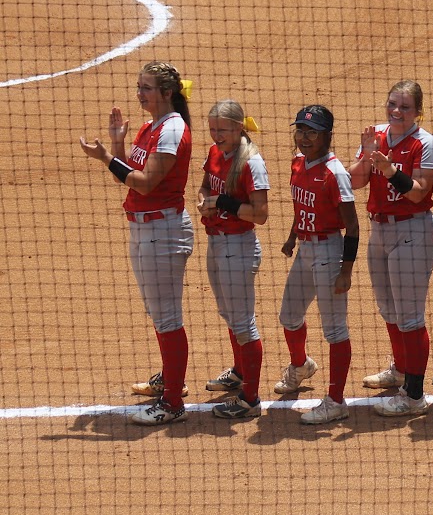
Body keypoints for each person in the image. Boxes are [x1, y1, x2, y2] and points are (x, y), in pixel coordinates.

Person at [79, 62, 194, 425]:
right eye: (138, 86)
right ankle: (170, 381)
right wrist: (116, 144)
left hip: (164, 232)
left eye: (146, 88)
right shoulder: (151, 126)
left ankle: (173, 403)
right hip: (145, 230)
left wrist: (107, 158)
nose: (139, 93)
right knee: (159, 314)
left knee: (168, 318)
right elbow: (130, 177)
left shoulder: (172, 130)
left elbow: (145, 183)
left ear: (167, 93)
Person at [348, 81, 433, 418]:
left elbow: (418, 193)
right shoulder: (378, 136)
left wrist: (388, 170)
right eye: (392, 104)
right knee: (389, 308)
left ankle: (414, 395)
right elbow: (356, 181)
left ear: (418, 111)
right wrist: (365, 151)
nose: (396, 111)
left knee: (410, 315)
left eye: (404, 107)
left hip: (412, 232)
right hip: (380, 230)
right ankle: (401, 368)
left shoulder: (426, 144)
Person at [275, 105, 360, 424]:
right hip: (306, 250)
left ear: (327, 135)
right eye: (300, 131)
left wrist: (346, 271)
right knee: (289, 315)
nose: (304, 138)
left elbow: (351, 226)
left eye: (312, 132)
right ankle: (301, 365)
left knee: (335, 329)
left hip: (330, 252)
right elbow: (302, 207)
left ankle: (336, 400)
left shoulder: (336, 173)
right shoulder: (298, 164)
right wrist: (292, 236)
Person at [197, 100, 270, 420]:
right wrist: (203, 202)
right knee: (229, 314)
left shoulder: (251, 162)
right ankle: (240, 372)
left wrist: (223, 202)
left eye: (222, 130)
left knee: (243, 323)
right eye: (212, 129)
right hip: (217, 244)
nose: (216, 135)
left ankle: (251, 399)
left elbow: (261, 214)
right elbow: (203, 186)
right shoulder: (215, 153)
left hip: (238, 247)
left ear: (240, 127)